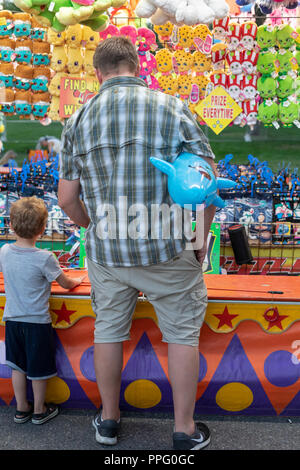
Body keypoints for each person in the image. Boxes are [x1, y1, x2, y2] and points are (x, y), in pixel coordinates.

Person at [58, 36, 217, 450]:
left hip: (109, 249)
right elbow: (205, 179)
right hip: (168, 246)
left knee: (108, 331)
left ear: (98, 73)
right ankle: (184, 429)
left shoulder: (77, 119)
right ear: (136, 66)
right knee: (182, 335)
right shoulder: (173, 107)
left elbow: (66, 199)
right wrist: (201, 235)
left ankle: (109, 420)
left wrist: (92, 225)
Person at [1, 196, 85, 425]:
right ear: (42, 228)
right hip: (37, 322)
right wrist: (76, 282)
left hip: (12, 321)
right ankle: (39, 410)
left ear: (11, 225)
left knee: (18, 367)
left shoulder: (5, 252)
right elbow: (66, 283)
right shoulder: (45, 258)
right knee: (38, 369)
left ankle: (21, 409)